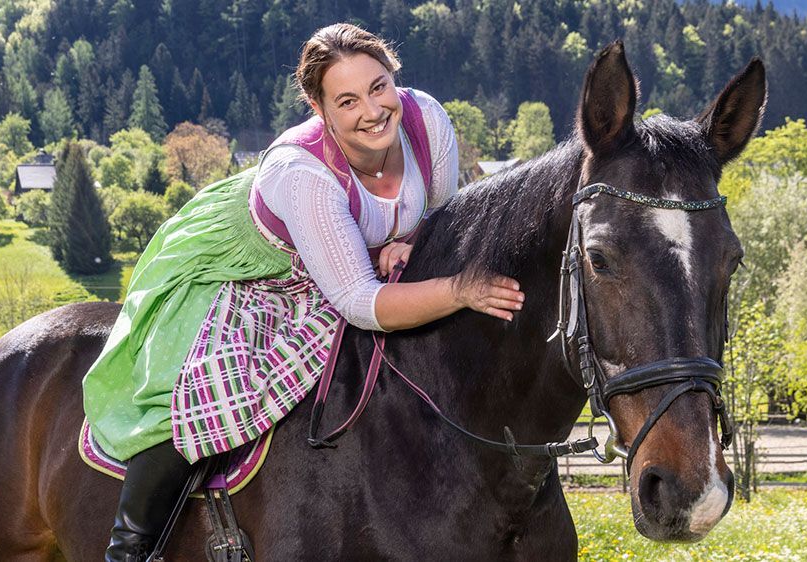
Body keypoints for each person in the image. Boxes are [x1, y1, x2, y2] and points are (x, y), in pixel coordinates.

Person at [83, 22, 526, 561]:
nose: (372, 110)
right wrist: (458, 289)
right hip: (259, 270)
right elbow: (361, 304)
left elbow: (440, 217)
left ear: (394, 78)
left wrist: (409, 238)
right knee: (205, 394)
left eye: (379, 87)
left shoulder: (426, 120)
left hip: (349, 269)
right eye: (347, 100)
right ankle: (129, 548)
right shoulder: (304, 174)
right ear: (320, 110)